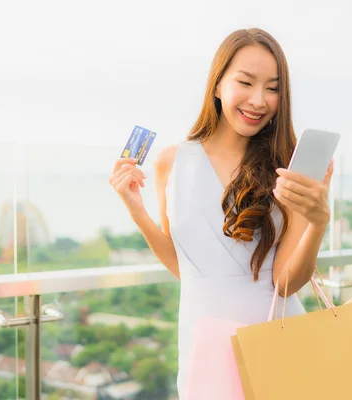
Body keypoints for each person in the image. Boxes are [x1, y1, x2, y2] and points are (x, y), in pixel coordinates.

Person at [109, 27, 333, 397]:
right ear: (217, 85)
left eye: (273, 88)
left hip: (275, 342)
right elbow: (188, 267)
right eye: (245, 82)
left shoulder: (288, 164)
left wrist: (318, 222)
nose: (259, 100)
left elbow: (285, 283)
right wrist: (138, 213)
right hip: (203, 346)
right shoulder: (171, 162)